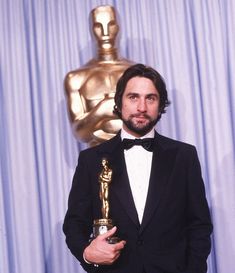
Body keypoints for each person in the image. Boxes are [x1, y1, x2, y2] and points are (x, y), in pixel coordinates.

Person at [63, 64, 213, 273]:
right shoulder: (91, 160)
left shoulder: (184, 156)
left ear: (160, 105)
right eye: (133, 97)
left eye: (150, 98)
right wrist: (88, 254)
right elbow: (74, 224)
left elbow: (199, 225)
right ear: (119, 102)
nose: (142, 107)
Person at [64, 5, 134, 147]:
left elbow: (150, 120)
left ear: (119, 28)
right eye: (98, 26)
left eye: (111, 24)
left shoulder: (139, 72)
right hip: (100, 160)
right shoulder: (76, 78)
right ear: (91, 30)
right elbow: (80, 133)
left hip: (139, 155)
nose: (105, 32)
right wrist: (103, 109)